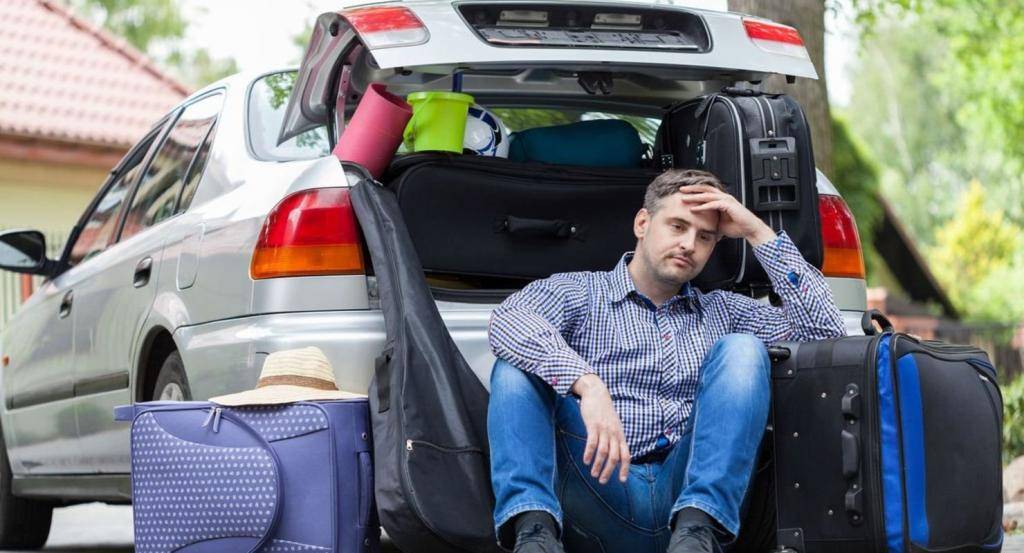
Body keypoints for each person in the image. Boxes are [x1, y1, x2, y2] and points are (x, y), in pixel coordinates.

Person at [487, 169, 846, 553]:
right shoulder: (579, 292)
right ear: (643, 223)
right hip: (599, 488)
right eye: (677, 226)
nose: (689, 244)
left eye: (705, 237)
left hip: (691, 495)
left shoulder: (727, 311)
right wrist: (587, 385)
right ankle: (535, 537)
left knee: (742, 349)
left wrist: (757, 232)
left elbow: (827, 337)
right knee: (514, 370)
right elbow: (508, 321)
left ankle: (698, 532)